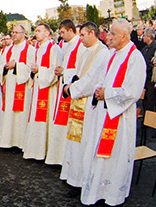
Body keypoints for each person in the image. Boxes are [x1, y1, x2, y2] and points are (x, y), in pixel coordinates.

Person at [66, 19, 145, 207]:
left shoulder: (135, 58)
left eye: (112, 34)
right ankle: (99, 193)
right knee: (99, 156)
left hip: (119, 117)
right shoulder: (112, 55)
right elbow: (99, 79)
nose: (107, 37)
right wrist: (98, 91)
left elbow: (132, 92)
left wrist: (106, 94)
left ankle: (114, 199)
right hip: (103, 113)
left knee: (115, 158)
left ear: (124, 37)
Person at [60, 22, 108, 194]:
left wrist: (71, 89)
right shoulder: (86, 50)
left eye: (82, 35)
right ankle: (73, 177)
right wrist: (70, 83)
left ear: (93, 34)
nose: (80, 39)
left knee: (85, 143)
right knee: (75, 142)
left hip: (88, 104)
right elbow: (78, 73)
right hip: (79, 100)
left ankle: (82, 181)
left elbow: (92, 80)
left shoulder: (102, 53)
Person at [47, 19, 84, 166]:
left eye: (63, 32)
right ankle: (60, 157)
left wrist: (65, 72)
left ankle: (67, 159)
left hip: (73, 89)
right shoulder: (66, 45)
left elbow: (81, 70)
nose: (61, 36)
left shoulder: (80, 46)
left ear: (70, 30)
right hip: (64, 87)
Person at [23, 23, 61, 161]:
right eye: (35, 30)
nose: (36, 33)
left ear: (47, 33)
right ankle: (36, 150)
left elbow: (55, 71)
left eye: (39, 31)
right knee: (37, 119)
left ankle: (47, 151)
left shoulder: (54, 49)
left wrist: (40, 70)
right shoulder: (38, 49)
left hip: (49, 89)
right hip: (39, 87)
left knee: (47, 119)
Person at [0, 25, 33, 150]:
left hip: (21, 87)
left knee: (20, 115)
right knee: (8, 114)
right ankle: (8, 142)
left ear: (24, 34)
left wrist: (17, 66)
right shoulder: (7, 50)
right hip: (9, 85)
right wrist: (4, 67)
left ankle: (20, 143)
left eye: (17, 32)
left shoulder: (30, 50)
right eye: (13, 32)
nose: (14, 35)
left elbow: (31, 69)